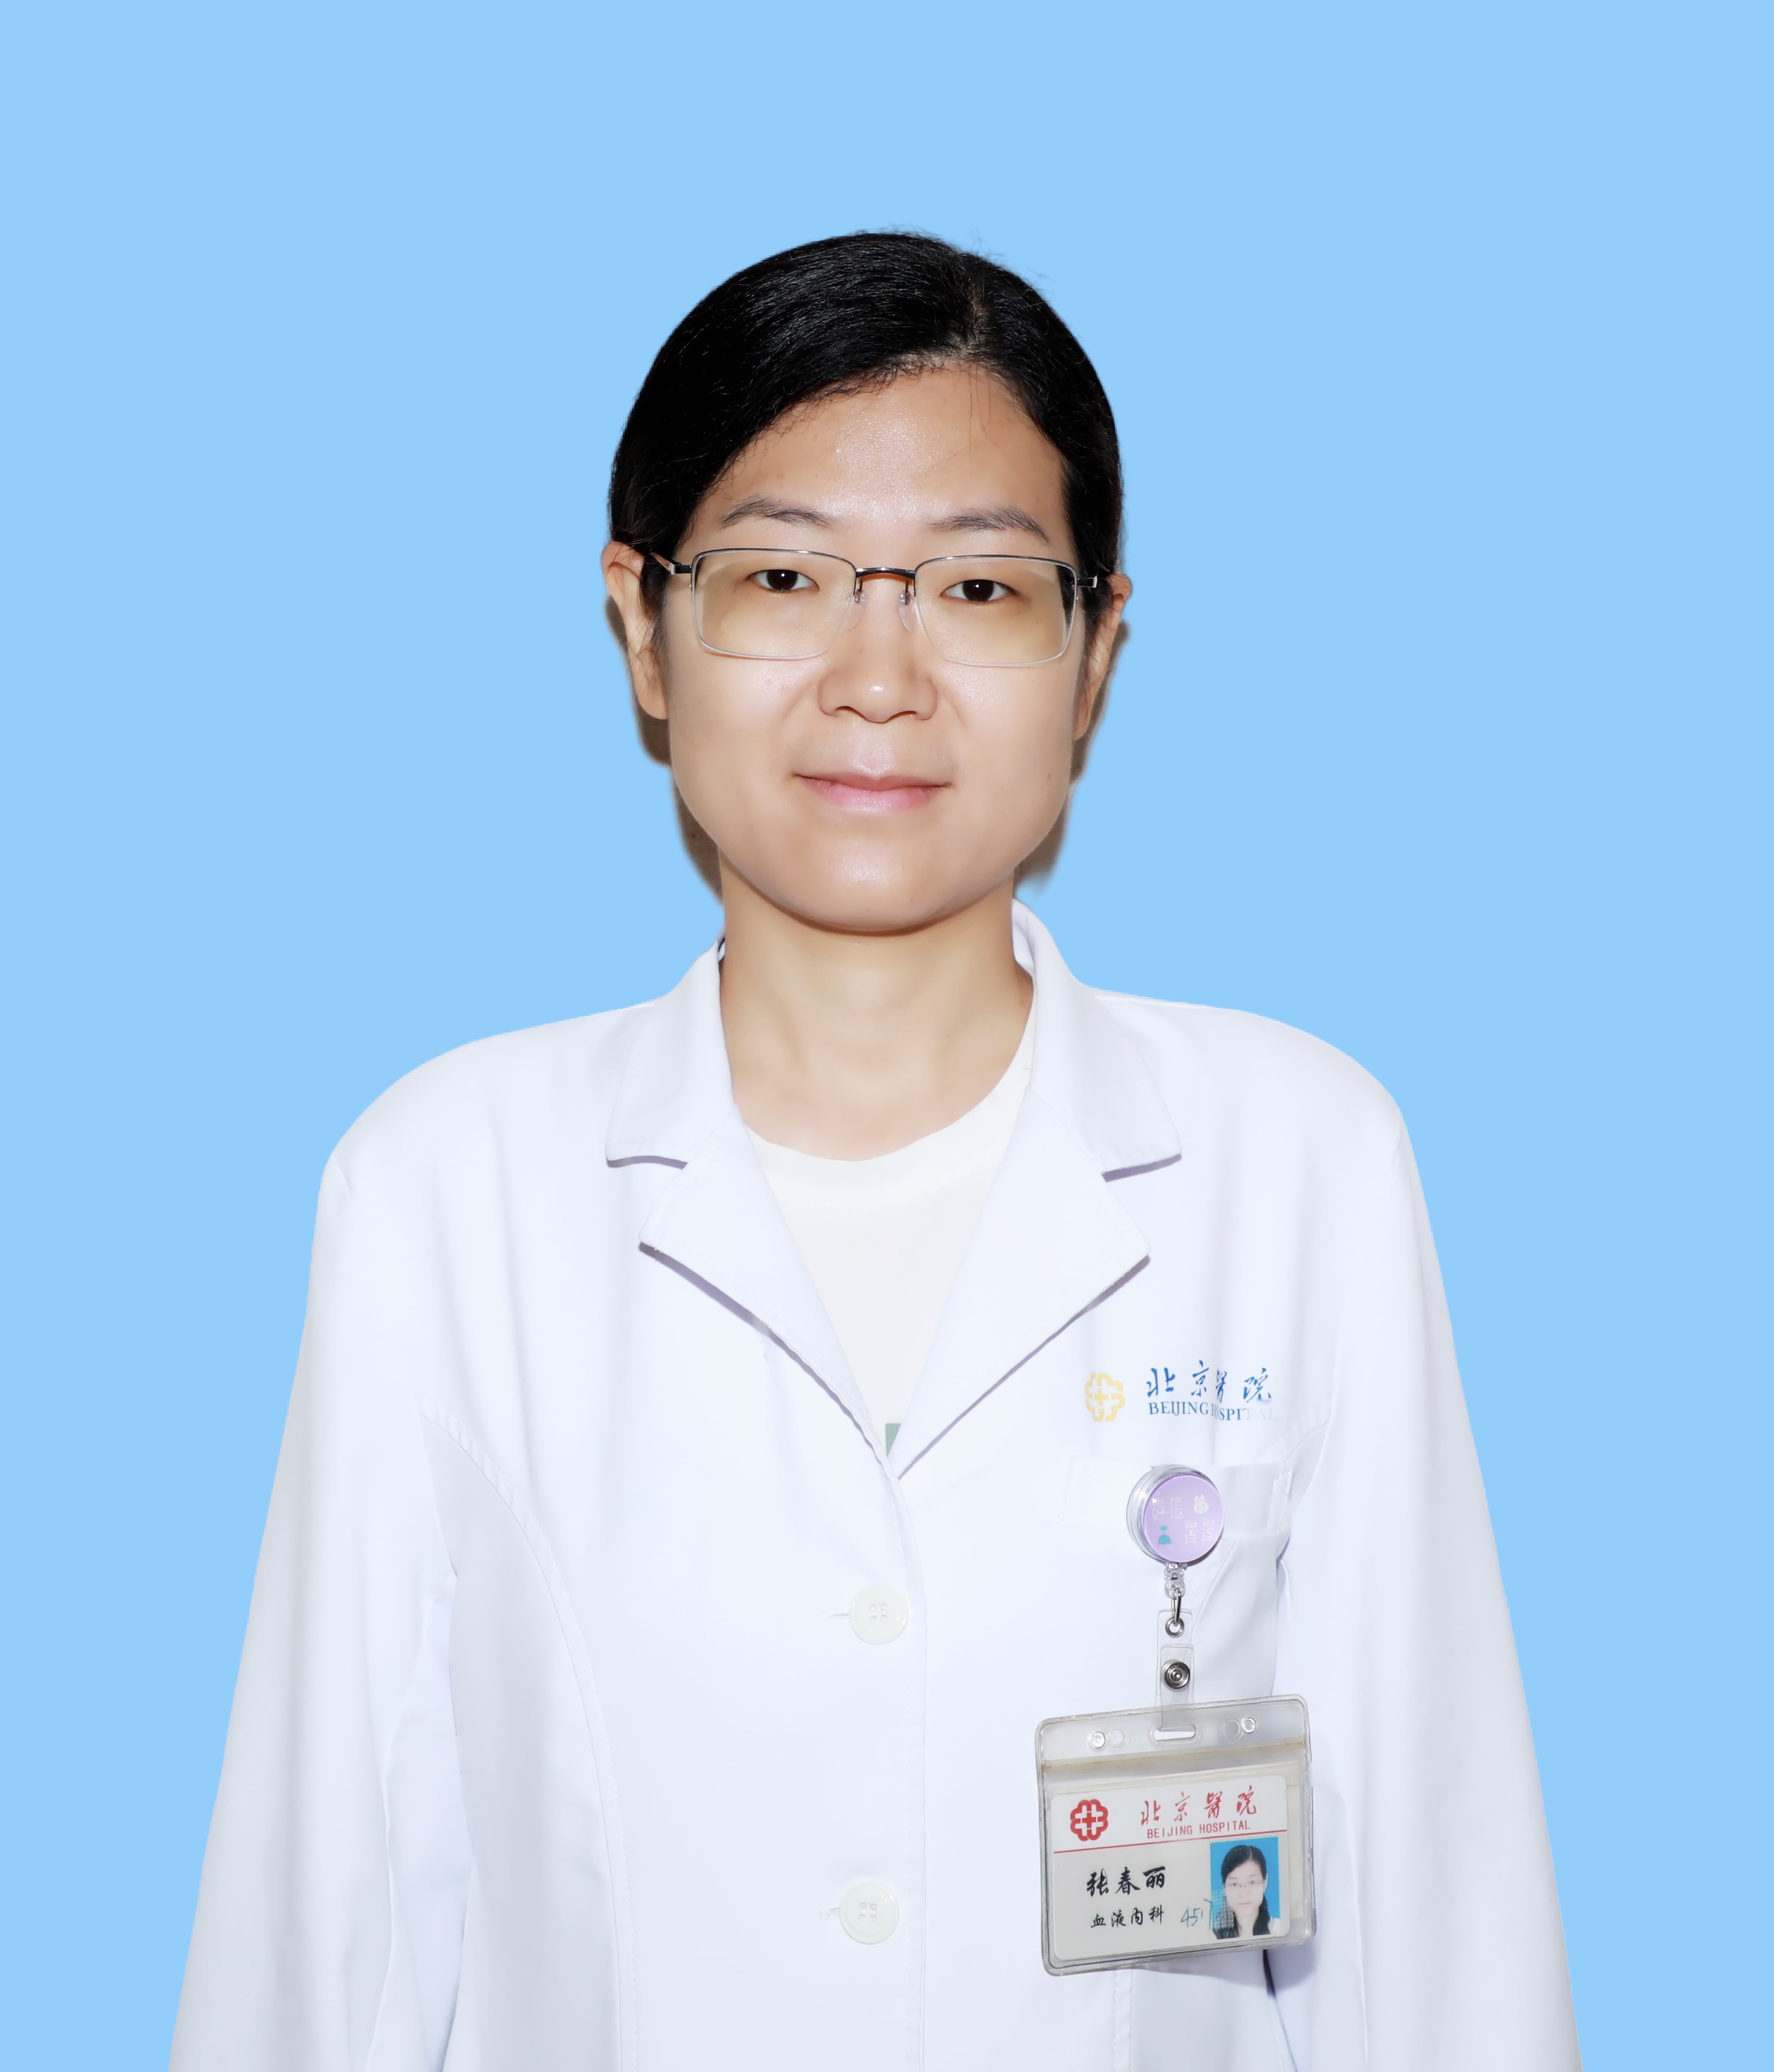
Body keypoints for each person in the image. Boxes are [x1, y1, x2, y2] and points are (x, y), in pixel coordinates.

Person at [171, 232, 1581, 2071]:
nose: (878, 676)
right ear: (641, 626)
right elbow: (327, 1923)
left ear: (1094, 654)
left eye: (979, 589)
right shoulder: (444, 1189)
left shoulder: (1299, 1163)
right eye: (781, 575)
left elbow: (1436, 1922)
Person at [1213, 1845, 1273, 1940]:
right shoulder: (1211, 1938)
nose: (1243, 1893)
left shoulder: (1280, 1930)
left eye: (1252, 1882)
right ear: (1224, 1887)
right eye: (1234, 1884)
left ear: (1265, 1882)